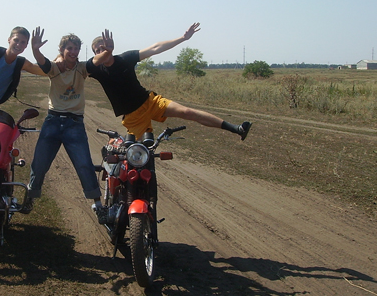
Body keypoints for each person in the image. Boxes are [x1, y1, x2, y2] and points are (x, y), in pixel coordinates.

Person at [86, 24, 252, 140]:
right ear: (94, 55)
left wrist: (183, 38)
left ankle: (237, 129)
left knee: (187, 112)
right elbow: (71, 68)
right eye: (98, 50)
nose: (102, 51)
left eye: (104, 46)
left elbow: (155, 48)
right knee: (137, 155)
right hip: (133, 117)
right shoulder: (96, 70)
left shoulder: (125, 58)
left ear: (111, 46)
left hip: (150, 102)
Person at [20, 28, 108, 224]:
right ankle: (30, 198)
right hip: (52, 121)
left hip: (74, 124)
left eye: (76, 48)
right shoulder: (54, 68)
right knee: (40, 164)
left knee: (84, 164)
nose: (73, 52)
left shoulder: (83, 68)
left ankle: (98, 205)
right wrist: (35, 49)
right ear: (62, 49)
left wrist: (108, 50)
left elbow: (98, 60)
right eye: (69, 48)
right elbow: (42, 62)